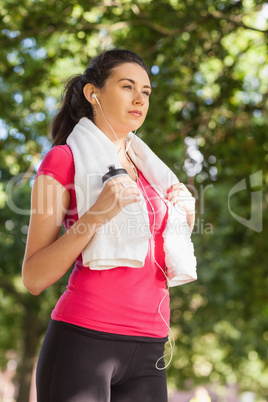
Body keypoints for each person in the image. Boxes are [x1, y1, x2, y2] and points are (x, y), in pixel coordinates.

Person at [22, 49, 195, 402]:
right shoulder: (63, 160)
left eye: (146, 91)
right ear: (93, 93)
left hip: (150, 350)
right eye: (127, 86)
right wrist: (95, 216)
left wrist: (184, 218)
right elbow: (34, 276)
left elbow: (156, 256)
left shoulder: (153, 174)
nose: (139, 99)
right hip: (83, 344)